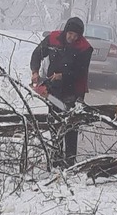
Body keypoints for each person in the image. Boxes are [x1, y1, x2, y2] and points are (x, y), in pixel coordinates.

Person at [30, 17, 93, 165]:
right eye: (70, 33)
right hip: (54, 90)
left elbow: (81, 72)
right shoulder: (53, 39)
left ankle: (70, 161)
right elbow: (37, 53)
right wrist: (35, 71)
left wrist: (62, 76)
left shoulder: (84, 48)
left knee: (71, 124)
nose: (72, 37)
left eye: (76, 35)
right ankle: (56, 158)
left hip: (74, 90)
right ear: (66, 31)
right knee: (55, 122)